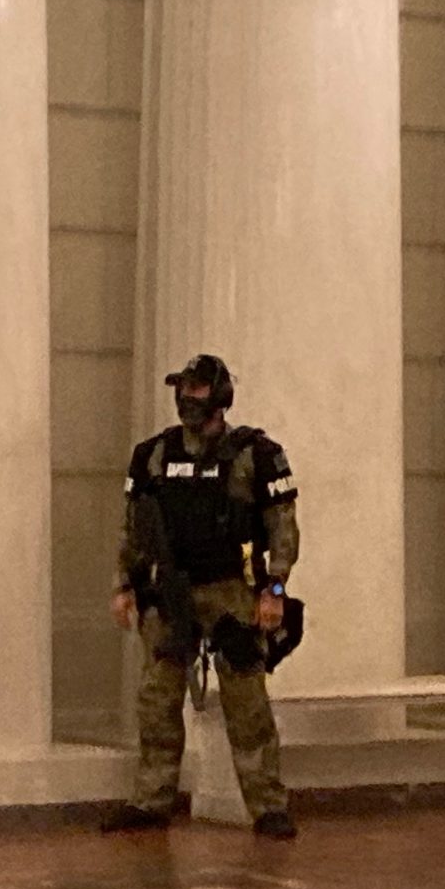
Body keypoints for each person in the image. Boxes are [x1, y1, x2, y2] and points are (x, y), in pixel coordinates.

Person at [100, 354, 301, 839]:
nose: (186, 399)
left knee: (246, 699)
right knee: (157, 698)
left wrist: (274, 589)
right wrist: (124, 584)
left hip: (232, 590)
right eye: (182, 389)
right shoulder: (153, 455)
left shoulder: (254, 454)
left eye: (196, 390)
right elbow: (133, 529)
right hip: (170, 593)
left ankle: (268, 805)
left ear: (218, 396)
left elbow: (282, 529)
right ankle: (151, 800)